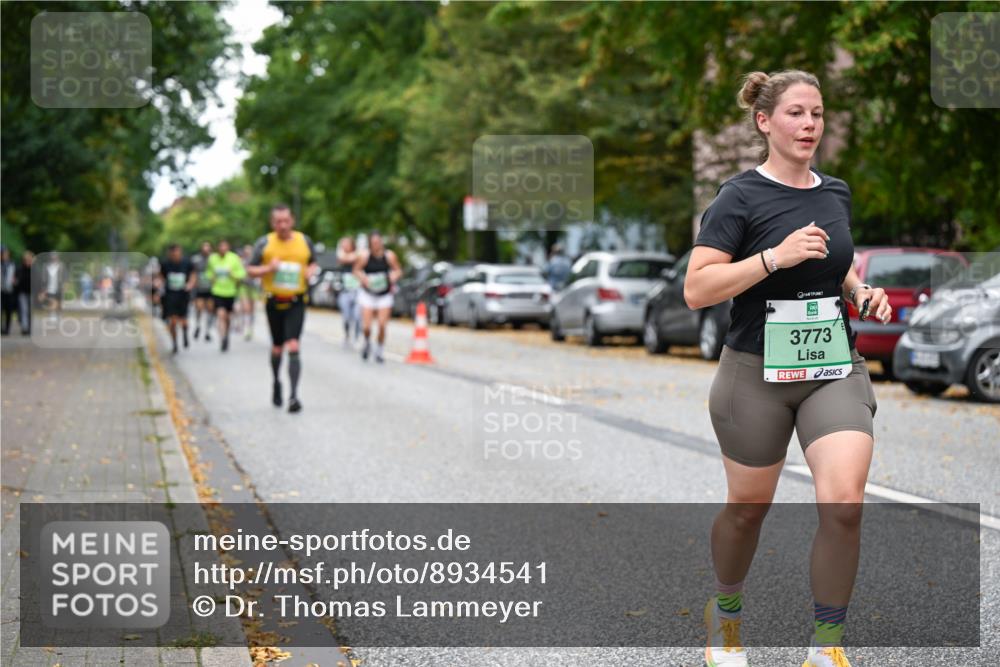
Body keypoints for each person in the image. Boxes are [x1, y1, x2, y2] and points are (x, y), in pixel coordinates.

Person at [684, 71, 891, 667]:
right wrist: (772, 258)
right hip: (754, 372)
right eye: (797, 113)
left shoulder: (836, 193)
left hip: (832, 365)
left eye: (818, 114)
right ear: (765, 122)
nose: (809, 125)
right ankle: (724, 617)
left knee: (843, 501)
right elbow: (697, 289)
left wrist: (858, 291)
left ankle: (826, 649)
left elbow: (833, 262)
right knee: (748, 509)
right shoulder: (738, 197)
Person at [247, 204, 318, 413]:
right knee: (278, 347)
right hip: (273, 301)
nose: (283, 225)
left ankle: (294, 396)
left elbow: (314, 263)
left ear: (292, 220)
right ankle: (276, 382)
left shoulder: (304, 241)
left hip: (296, 301)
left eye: (286, 221)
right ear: (272, 223)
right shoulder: (265, 243)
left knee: (293, 345)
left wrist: (310, 272)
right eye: (278, 221)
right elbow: (250, 270)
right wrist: (268, 268)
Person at [353, 231, 402, 363]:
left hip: (384, 295)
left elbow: (398, 270)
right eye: (373, 243)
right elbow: (356, 270)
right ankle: (367, 342)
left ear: (381, 242)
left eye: (378, 242)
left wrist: (393, 277)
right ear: (370, 243)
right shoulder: (364, 256)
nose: (376, 245)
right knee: (367, 327)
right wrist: (363, 278)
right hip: (368, 294)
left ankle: (379, 350)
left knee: (381, 324)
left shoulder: (389, 256)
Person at [206, 239, 246, 352]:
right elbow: (208, 273)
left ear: (228, 247)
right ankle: (222, 337)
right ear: (218, 247)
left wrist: (231, 274)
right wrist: (212, 276)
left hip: (231, 292)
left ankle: (227, 335)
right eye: (221, 246)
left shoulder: (234, 258)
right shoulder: (212, 258)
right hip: (217, 291)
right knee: (220, 314)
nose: (223, 249)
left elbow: (241, 275)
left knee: (228, 317)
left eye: (225, 247)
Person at [159, 244, 196, 354]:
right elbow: (161, 276)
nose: (175, 256)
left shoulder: (187, 263)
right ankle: (175, 343)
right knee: (172, 322)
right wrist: (159, 287)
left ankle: (185, 333)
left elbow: (193, 275)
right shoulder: (165, 264)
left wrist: (190, 284)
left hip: (183, 294)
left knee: (184, 321)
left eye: (177, 253)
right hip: (170, 295)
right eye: (173, 254)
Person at [335, 236, 362, 347]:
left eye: (347, 244)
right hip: (345, 290)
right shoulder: (341, 255)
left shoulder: (360, 255)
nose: (344, 246)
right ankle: (347, 335)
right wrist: (355, 256)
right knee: (346, 316)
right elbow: (344, 258)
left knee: (357, 316)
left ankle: (357, 337)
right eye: (343, 244)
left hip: (358, 290)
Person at [190, 241, 215, 342]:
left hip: (211, 289)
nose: (206, 248)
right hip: (199, 288)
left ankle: (208, 331)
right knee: (199, 308)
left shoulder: (214, 259)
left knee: (210, 310)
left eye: (208, 246)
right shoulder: (196, 259)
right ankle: (198, 325)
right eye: (204, 246)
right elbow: (193, 273)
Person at [236, 244, 261, 341]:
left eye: (250, 250)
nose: (248, 252)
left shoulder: (256, 262)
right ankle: (246, 328)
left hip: (253, 287)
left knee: (252, 309)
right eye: (246, 250)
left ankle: (250, 327)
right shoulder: (241, 262)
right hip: (244, 287)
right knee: (246, 308)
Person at [15, 251, 33, 335]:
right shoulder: (19, 269)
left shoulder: (35, 269)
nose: (27, 261)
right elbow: (16, 279)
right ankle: (25, 328)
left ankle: (29, 327)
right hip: (22, 293)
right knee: (24, 310)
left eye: (29, 260)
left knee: (30, 311)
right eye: (26, 260)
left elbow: (39, 281)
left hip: (32, 293)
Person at [1, 247, 16, 335]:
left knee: (8, 310)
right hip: (1, 290)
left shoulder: (12, 264)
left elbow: (17, 275)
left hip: (9, 291)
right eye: (3, 254)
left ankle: (7, 328)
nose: (4, 256)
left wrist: (15, 280)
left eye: (6, 254)